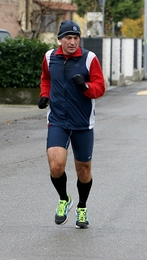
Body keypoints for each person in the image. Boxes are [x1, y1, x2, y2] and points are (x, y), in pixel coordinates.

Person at [38, 20, 106, 229]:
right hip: (58, 120)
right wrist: (44, 94)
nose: (73, 42)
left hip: (82, 122)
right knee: (56, 165)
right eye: (68, 37)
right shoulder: (50, 57)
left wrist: (85, 86)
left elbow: (100, 87)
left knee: (83, 170)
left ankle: (82, 207)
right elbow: (46, 78)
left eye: (76, 38)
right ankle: (64, 199)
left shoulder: (89, 59)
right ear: (60, 39)